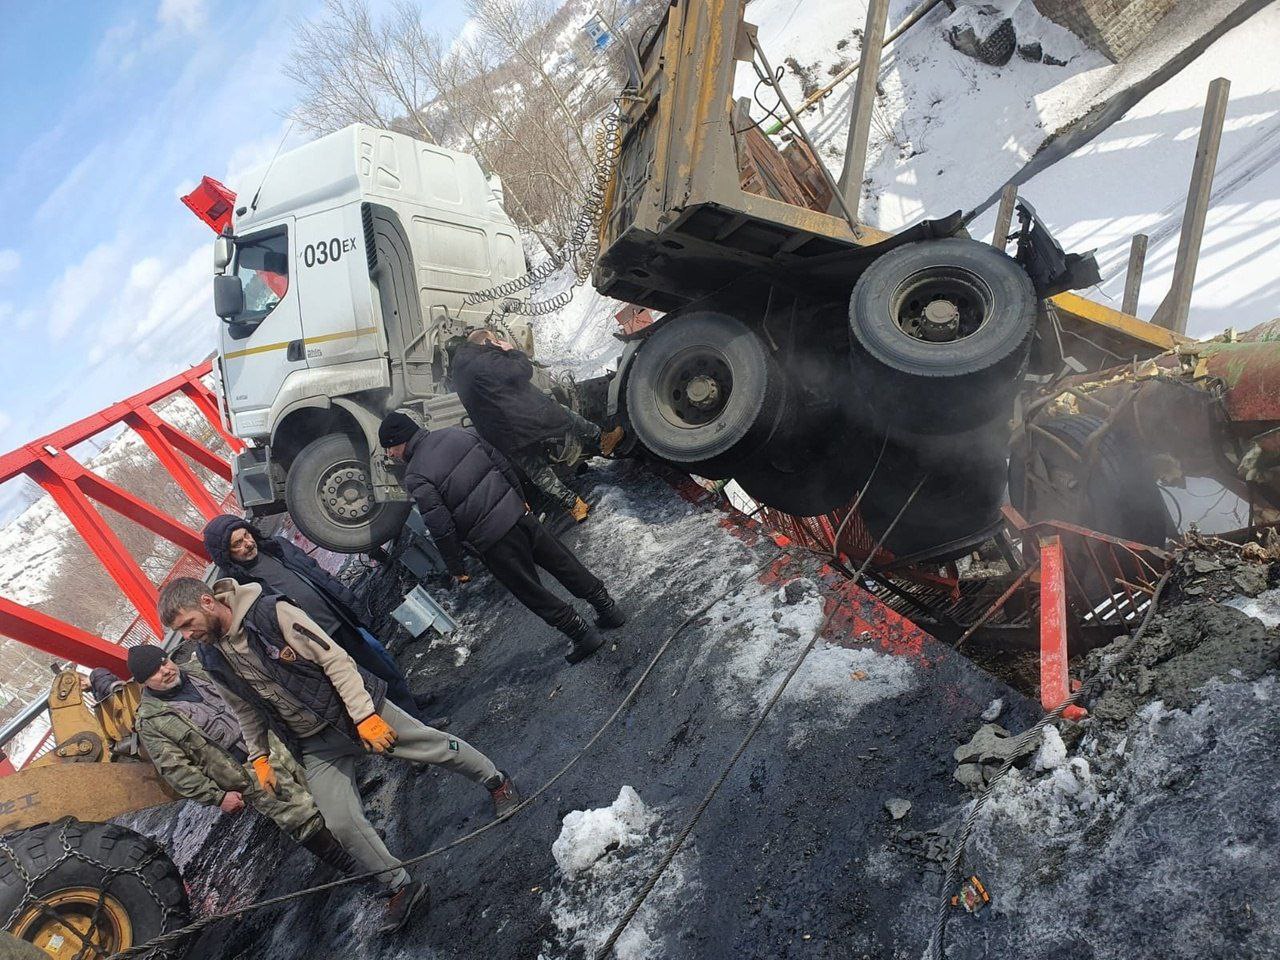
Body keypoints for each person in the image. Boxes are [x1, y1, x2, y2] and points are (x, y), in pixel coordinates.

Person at [157, 577, 520, 934]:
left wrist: (364, 715)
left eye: (187, 625)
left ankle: (497, 781)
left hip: (357, 713)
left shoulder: (271, 614)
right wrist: (260, 757)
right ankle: (401, 886)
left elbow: (336, 660)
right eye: (180, 631)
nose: (187, 636)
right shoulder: (210, 656)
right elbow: (245, 709)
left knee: (434, 747)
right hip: (313, 744)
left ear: (207, 602)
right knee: (342, 822)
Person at [378, 411, 625, 664]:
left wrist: (456, 566)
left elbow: (440, 525)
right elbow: (501, 463)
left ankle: (582, 635)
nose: (390, 455)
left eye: (390, 448)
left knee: (531, 591)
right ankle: (609, 609)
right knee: (563, 563)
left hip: (492, 540)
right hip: (519, 515)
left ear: (401, 441)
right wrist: (521, 500)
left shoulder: (416, 474)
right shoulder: (457, 433)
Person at [128, 644, 357, 877]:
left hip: (273, 741)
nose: (165, 670)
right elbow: (175, 770)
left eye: (164, 661)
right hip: (247, 772)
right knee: (300, 817)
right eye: (154, 672)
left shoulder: (201, 668)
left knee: (328, 792)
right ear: (143, 683)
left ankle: (362, 843)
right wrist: (217, 797)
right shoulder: (152, 721)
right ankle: (353, 867)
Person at [201, 516, 427, 720]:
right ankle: (407, 730)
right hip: (312, 645)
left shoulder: (277, 547)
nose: (248, 544)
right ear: (226, 554)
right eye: (237, 544)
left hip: (337, 622)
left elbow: (318, 574)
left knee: (382, 668)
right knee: (361, 688)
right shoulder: (235, 585)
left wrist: (350, 604)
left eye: (246, 535)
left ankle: (414, 709)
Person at [449, 329, 624, 523]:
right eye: (495, 340)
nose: (498, 343)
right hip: (527, 416)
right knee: (568, 417)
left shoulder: (459, 371)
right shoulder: (486, 359)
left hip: (502, 433)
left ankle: (575, 506)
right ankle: (603, 440)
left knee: (538, 471)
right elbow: (523, 371)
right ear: (486, 343)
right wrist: (511, 351)